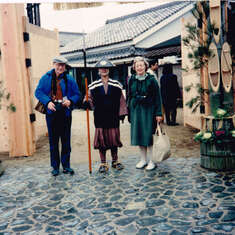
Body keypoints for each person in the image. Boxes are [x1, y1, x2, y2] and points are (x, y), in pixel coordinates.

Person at [35, 56, 81, 176]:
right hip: (52, 112)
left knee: (66, 140)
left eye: (63, 65)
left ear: (65, 67)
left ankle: (66, 166)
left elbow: (77, 94)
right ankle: (55, 166)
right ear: (54, 64)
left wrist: (70, 101)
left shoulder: (69, 79)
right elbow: (38, 91)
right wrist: (47, 102)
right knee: (53, 141)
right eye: (58, 64)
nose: (60, 67)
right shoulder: (46, 77)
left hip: (65, 112)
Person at [83, 58, 128, 173]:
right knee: (101, 141)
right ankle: (103, 162)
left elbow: (122, 100)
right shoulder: (93, 85)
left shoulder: (117, 84)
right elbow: (88, 98)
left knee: (113, 139)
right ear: (98, 70)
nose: (104, 70)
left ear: (109, 70)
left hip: (113, 116)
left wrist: (122, 113)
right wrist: (86, 101)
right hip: (100, 117)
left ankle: (115, 161)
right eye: (101, 68)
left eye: (106, 68)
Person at [128, 56, 163, 171]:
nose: (139, 67)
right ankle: (143, 160)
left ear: (145, 66)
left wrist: (159, 113)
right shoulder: (132, 79)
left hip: (149, 111)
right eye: (137, 66)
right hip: (136, 111)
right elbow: (129, 96)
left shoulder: (152, 79)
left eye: (141, 65)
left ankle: (152, 161)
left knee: (149, 136)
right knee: (139, 135)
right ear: (134, 67)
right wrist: (129, 110)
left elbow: (158, 97)